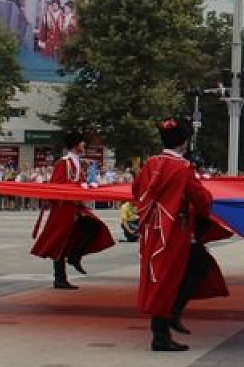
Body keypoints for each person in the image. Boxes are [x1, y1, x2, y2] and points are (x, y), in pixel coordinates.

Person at [133, 118, 228, 352]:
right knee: (176, 275)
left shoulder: (151, 163)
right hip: (174, 230)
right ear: (184, 142)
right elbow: (202, 200)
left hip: (153, 229)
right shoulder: (183, 168)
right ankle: (163, 331)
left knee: (164, 276)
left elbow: (137, 190)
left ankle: (169, 320)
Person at [30, 132, 115, 289]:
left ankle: (75, 256)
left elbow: (78, 181)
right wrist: (78, 188)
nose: (84, 145)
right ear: (76, 145)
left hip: (75, 207)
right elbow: (57, 185)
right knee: (60, 240)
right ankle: (60, 277)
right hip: (63, 208)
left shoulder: (76, 162)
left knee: (94, 227)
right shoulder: (64, 163)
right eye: (82, 143)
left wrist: (87, 185)